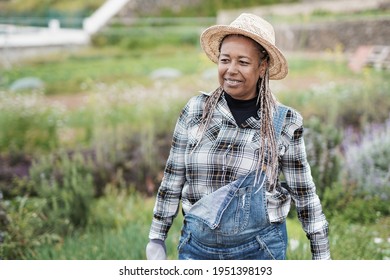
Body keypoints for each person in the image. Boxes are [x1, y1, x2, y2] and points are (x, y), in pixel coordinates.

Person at [146, 13, 330, 260]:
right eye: (225, 60)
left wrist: (322, 255)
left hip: (259, 251)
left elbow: (304, 194)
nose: (231, 70)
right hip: (196, 250)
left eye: (243, 62)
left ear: (262, 67)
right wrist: (157, 236)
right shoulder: (195, 110)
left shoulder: (283, 122)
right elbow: (173, 178)